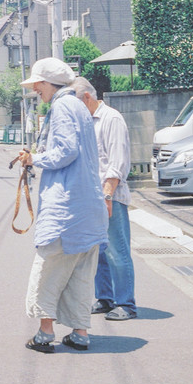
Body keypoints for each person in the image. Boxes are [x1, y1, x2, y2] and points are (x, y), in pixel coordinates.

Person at [17, 58, 108, 353]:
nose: (36, 92)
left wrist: (34, 159)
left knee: (48, 269)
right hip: (87, 206)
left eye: (37, 86)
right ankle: (80, 333)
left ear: (45, 83)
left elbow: (66, 151)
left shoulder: (62, 106)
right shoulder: (79, 106)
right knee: (80, 274)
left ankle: (45, 334)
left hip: (66, 209)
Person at [71, 76, 137, 321]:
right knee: (97, 251)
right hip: (91, 198)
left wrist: (107, 195)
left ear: (87, 97)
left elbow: (117, 163)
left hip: (110, 196)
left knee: (117, 251)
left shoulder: (112, 119)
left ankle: (126, 304)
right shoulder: (86, 121)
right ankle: (106, 298)